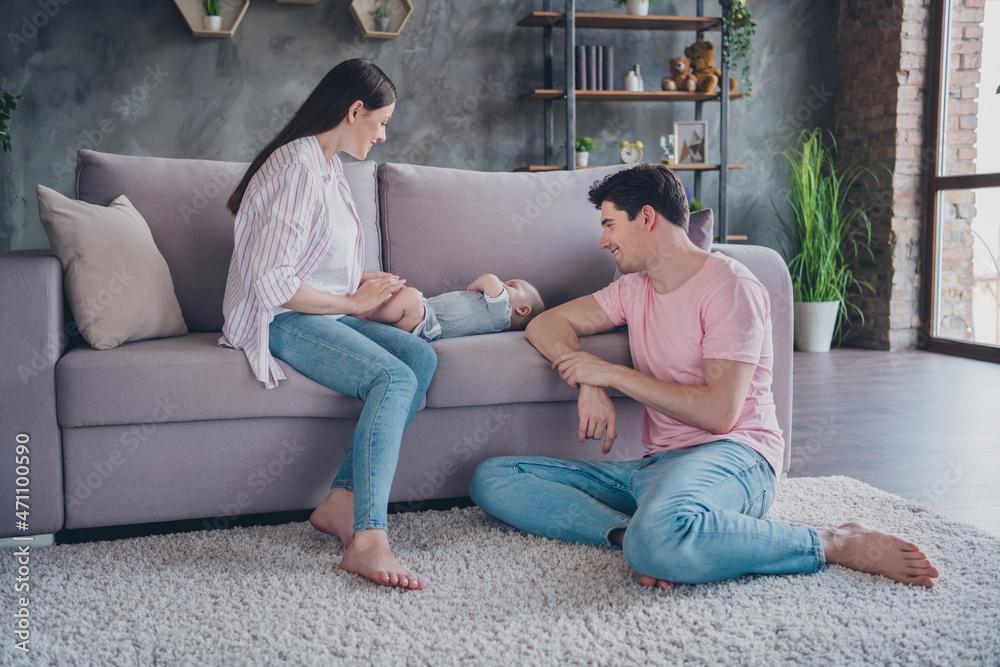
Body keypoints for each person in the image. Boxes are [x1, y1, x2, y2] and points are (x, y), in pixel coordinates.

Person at [470, 164, 939, 590]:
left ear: (647, 217)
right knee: (495, 477)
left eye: (610, 224)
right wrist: (589, 383)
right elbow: (544, 323)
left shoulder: (730, 287)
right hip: (657, 467)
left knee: (661, 536)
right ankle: (644, 538)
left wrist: (612, 374)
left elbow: (719, 414)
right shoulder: (633, 288)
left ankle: (830, 541)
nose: (603, 241)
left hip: (735, 456)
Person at [220, 59, 435, 590]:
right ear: (354, 109)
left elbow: (303, 258)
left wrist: (358, 282)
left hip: (318, 307)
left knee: (420, 356)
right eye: (381, 122)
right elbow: (272, 283)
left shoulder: (328, 165)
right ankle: (369, 537)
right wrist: (359, 306)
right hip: (280, 318)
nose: (383, 135)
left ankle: (340, 499)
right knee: (394, 377)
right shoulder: (295, 165)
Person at [361, 273, 545, 341]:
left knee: (411, 296)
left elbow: (490, 278)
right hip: (421, 314)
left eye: (510, 286)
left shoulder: (501, 317)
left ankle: (363, 313)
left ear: (523, 309)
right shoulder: (491, 309)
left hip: (425, 326)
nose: (503, 284)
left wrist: (477, 284)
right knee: (400, 293)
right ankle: (369, 311)